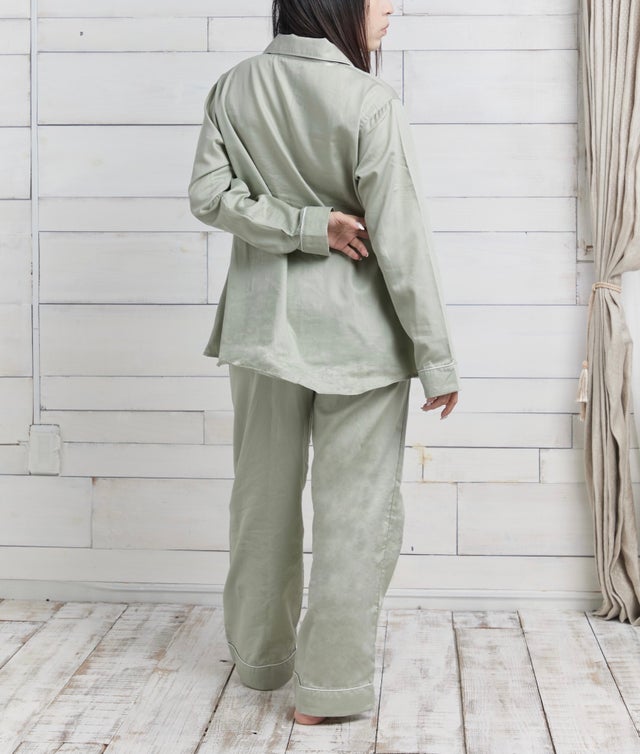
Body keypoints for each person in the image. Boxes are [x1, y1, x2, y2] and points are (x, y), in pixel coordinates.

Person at [188, 0, 460, 726]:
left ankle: (260, 662)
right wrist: (437, 358)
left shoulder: (234, 87)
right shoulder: (371, 101)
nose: (390, 6)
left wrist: (303, 226)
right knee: (356, 517)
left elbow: (209, 197)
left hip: (263, 332)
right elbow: (401, 240)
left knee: (262, 501)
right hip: (361, 344)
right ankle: (329, 690)